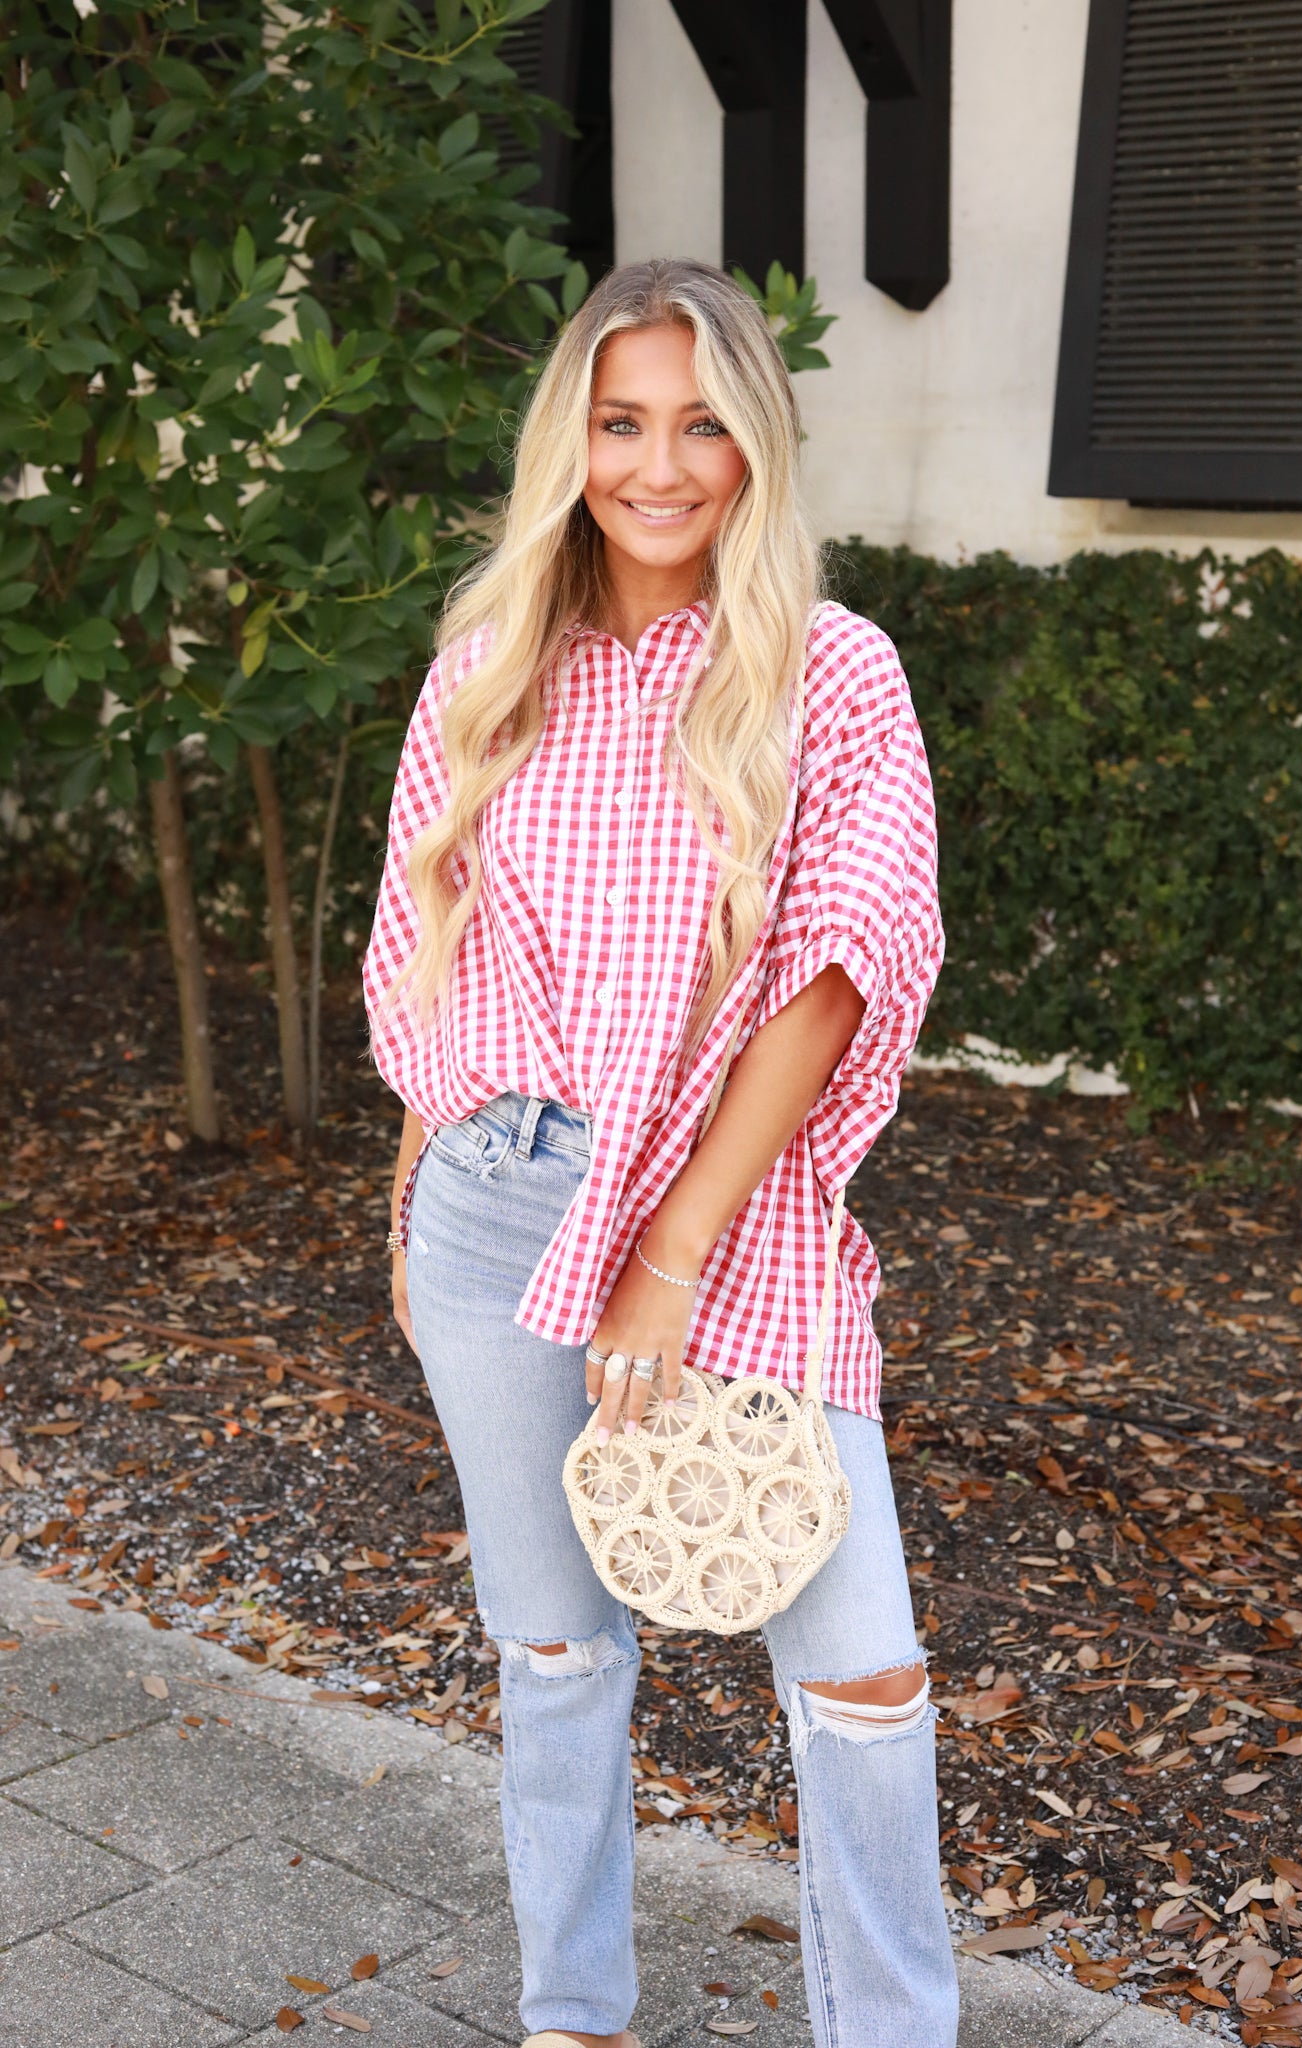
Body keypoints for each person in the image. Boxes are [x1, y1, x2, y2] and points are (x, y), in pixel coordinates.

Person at [363, 258, 957, 2048]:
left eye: (703, 422)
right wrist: (405, 1208)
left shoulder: (828, 668)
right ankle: (576, 2018)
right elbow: (429, 952)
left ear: (756, 443)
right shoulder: (486, 672)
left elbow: (846, 962)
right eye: (622, 421)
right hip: (491, 1210)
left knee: (860, 1669)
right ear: (573, 441)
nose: (660, 464)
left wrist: (675, 1246)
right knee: (552, 1658)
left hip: (731, 1220)